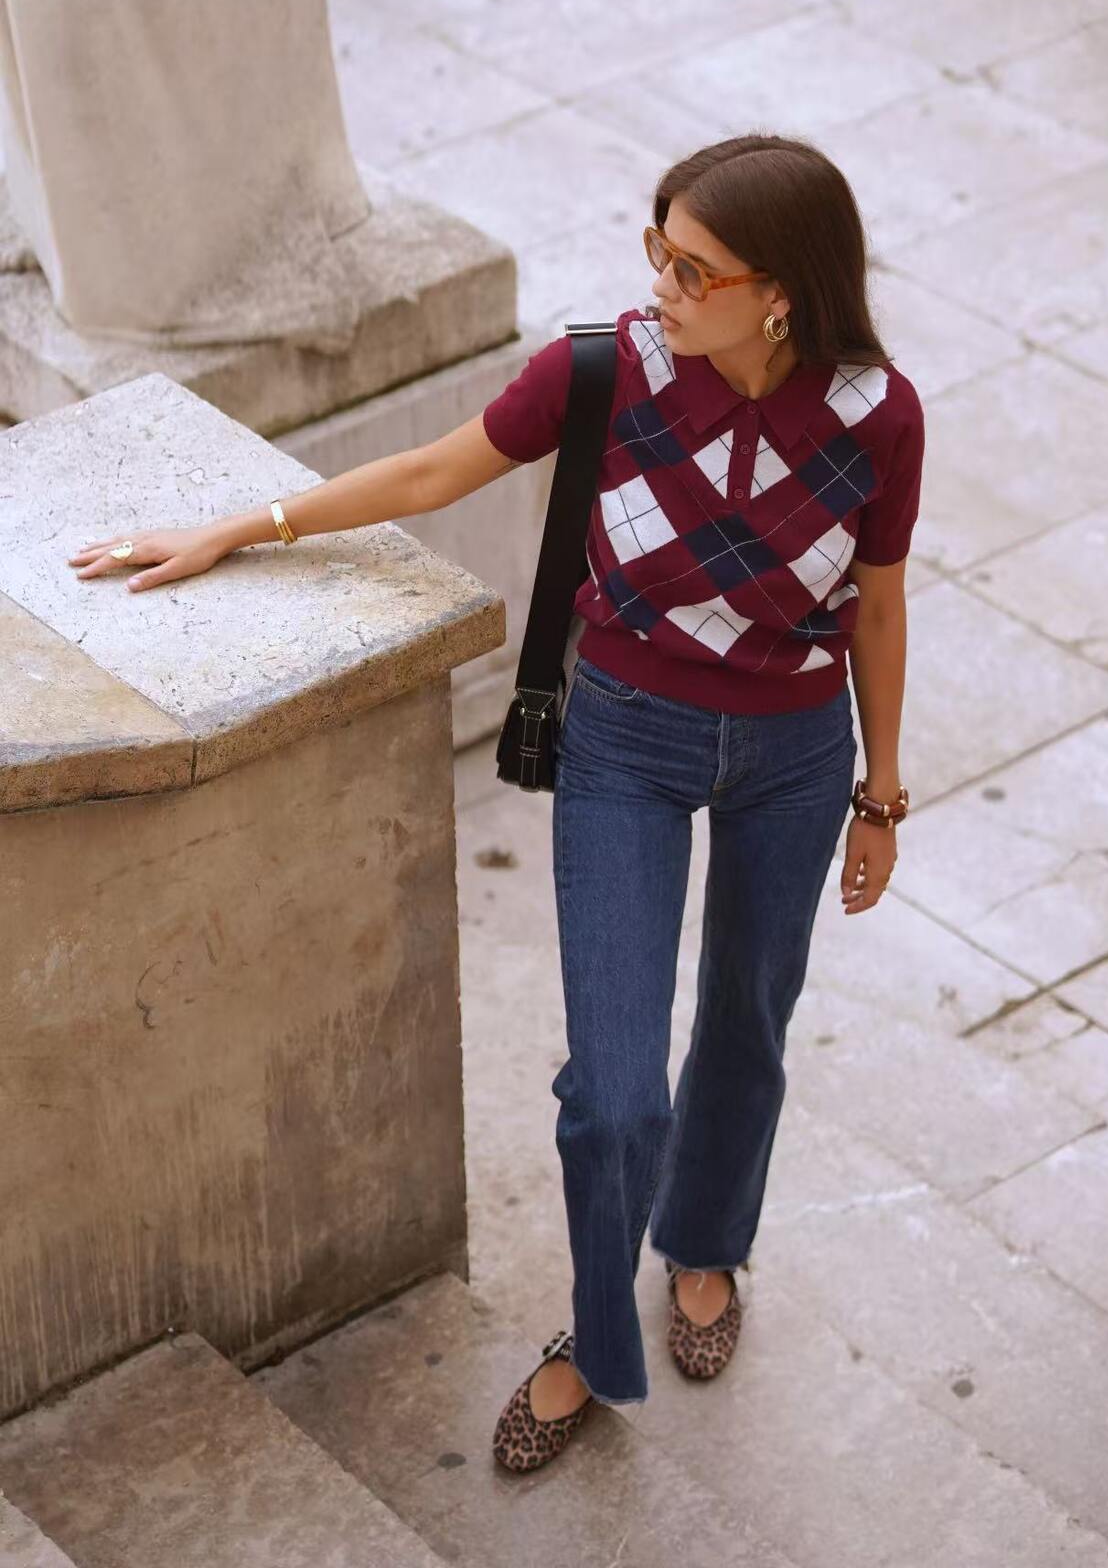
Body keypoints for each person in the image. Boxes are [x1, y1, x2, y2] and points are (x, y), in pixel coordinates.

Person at [66, 133, 924, 1475]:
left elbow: (877, 598)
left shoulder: (879, 415)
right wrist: (241, 528)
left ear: (782, 293)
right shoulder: (609, 374)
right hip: (627, 741)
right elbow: (428, 473)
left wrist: (880, 789)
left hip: (795, 757)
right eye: (655, 247)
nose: (660, 284)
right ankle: (594, 1334)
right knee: (615, 1093)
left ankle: (705, 1242)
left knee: (751, 1015)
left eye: (692, 267)